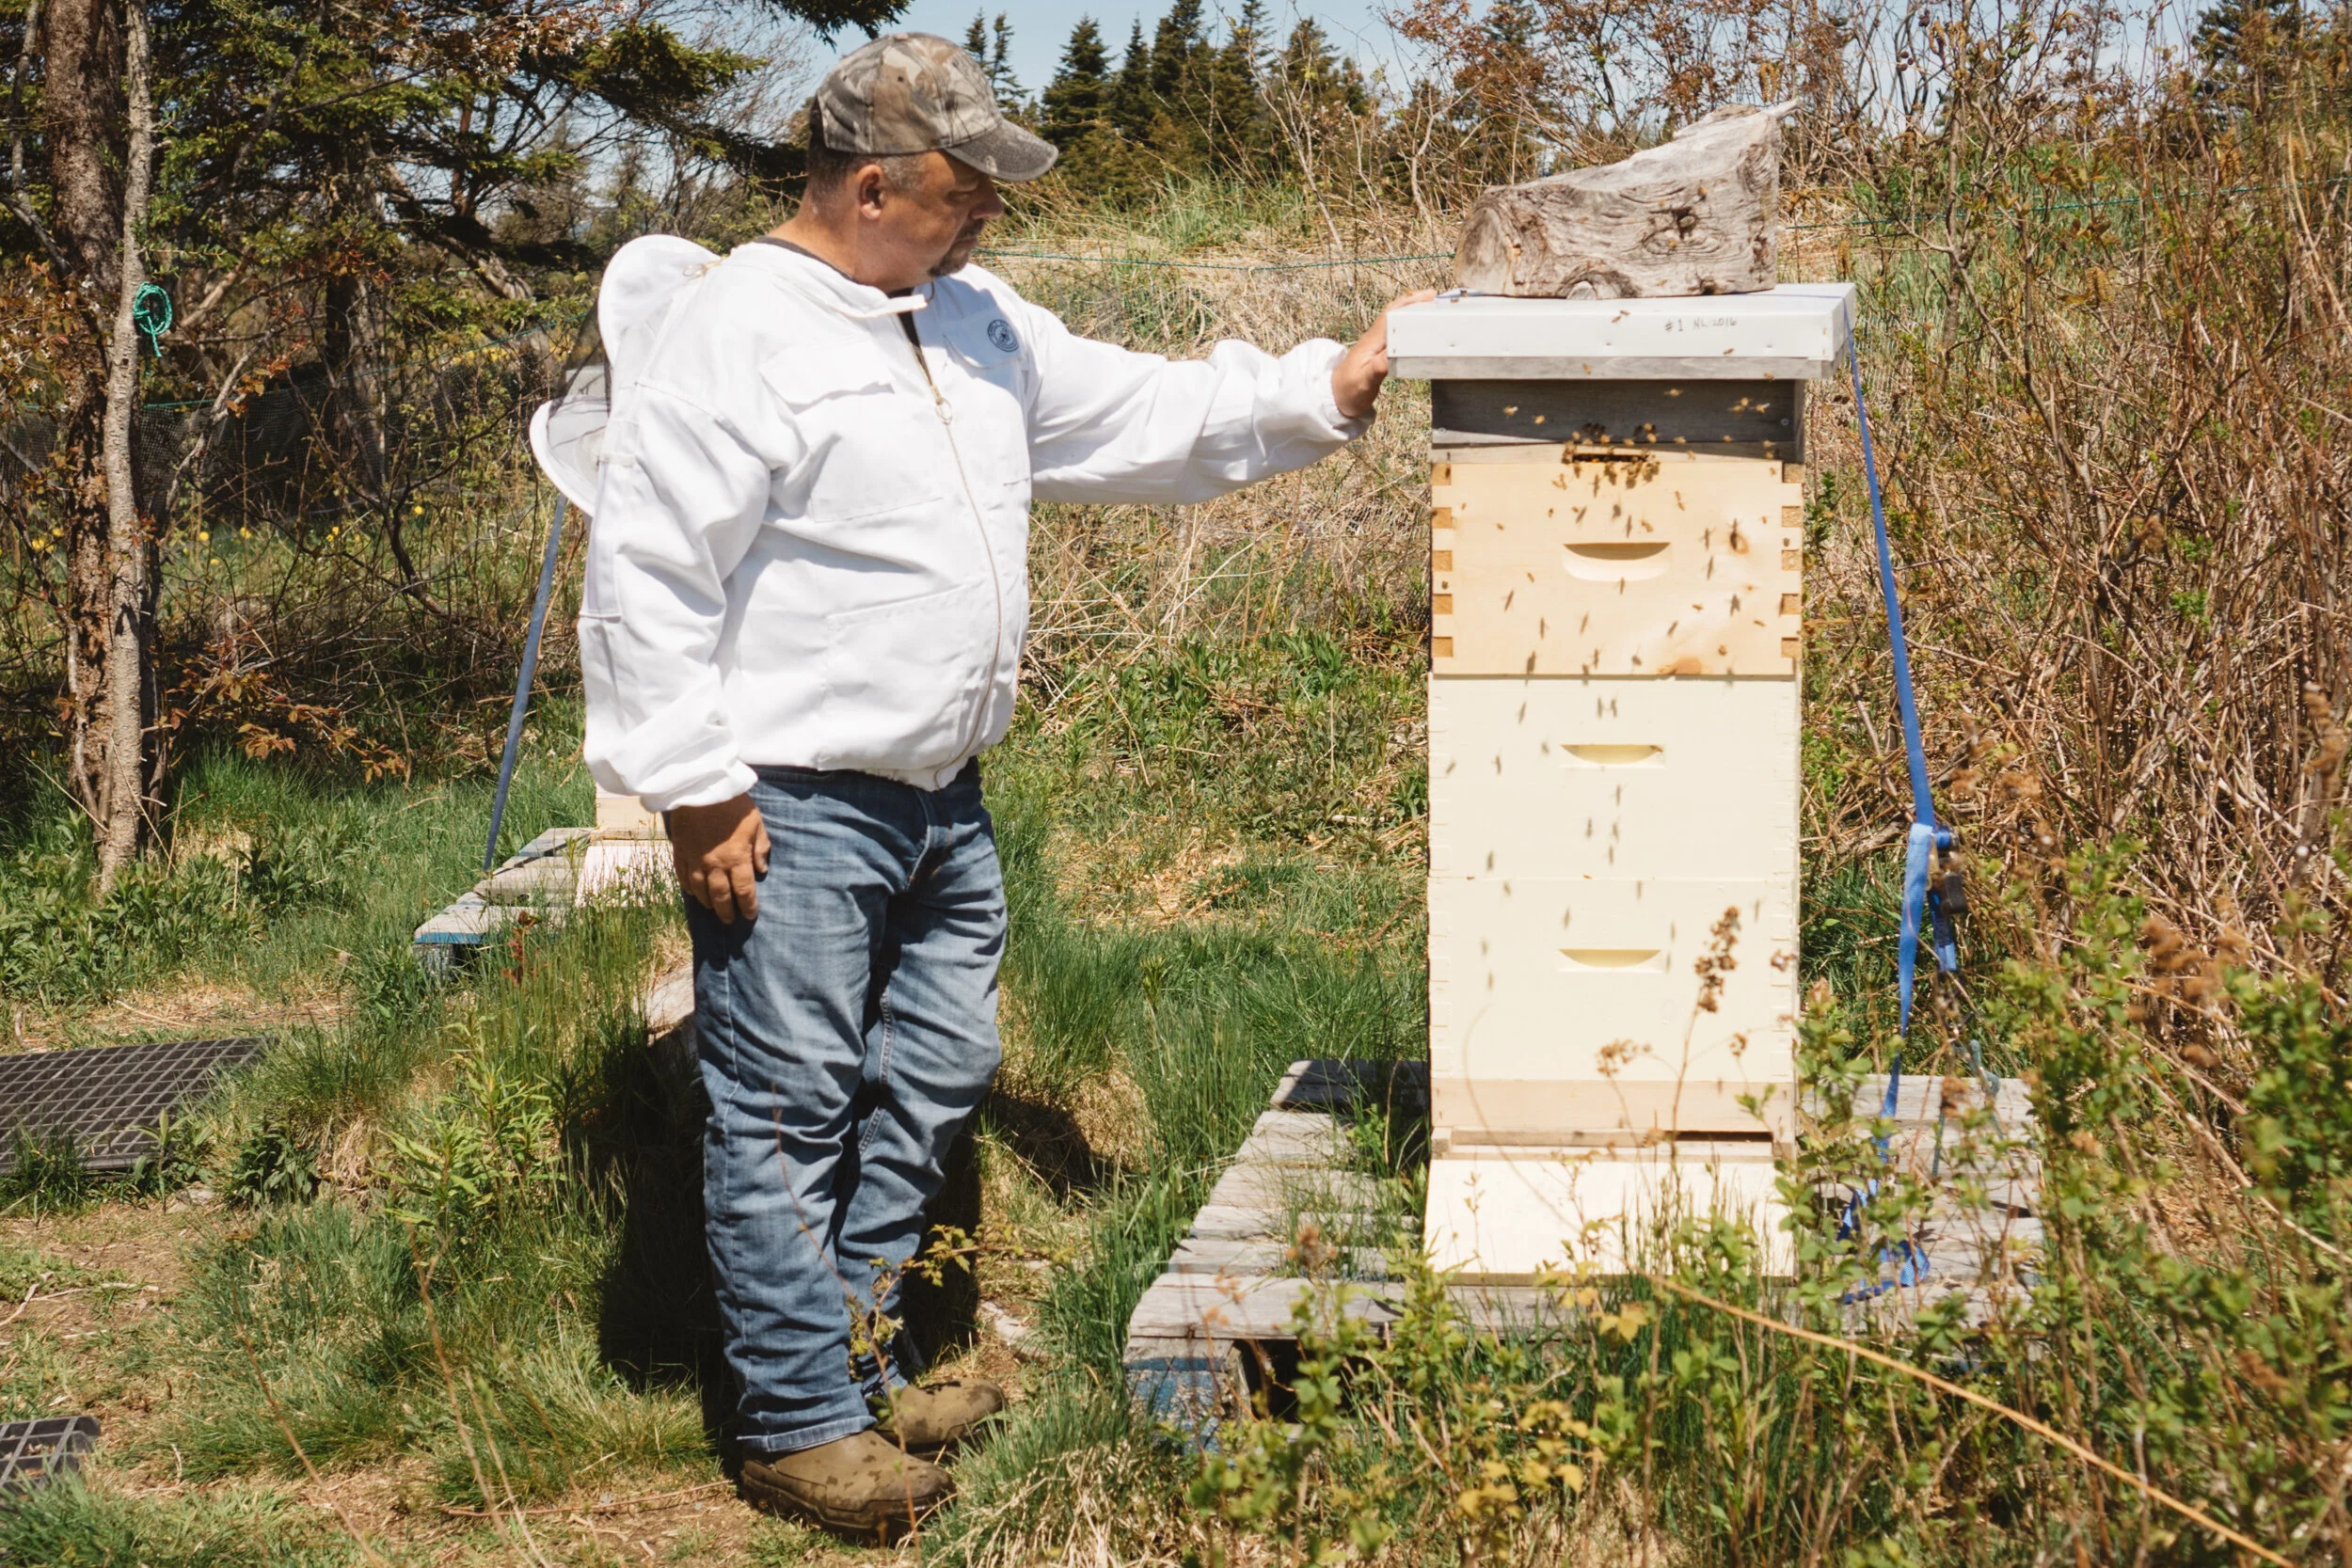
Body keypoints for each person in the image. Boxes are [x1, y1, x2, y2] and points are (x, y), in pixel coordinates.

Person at [577, 30, 1425, 1539]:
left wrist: (1324, 386)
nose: (985, 222)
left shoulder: (969, 319)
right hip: (791, 798)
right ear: (871, 182)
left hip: (941, 798)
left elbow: (1139, 411)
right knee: (785, 1104)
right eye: (966, 195)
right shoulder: (738, 330)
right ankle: (791, 1419)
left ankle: (866, 1357)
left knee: (934, 1078)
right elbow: (646, 572)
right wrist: (696, 789)